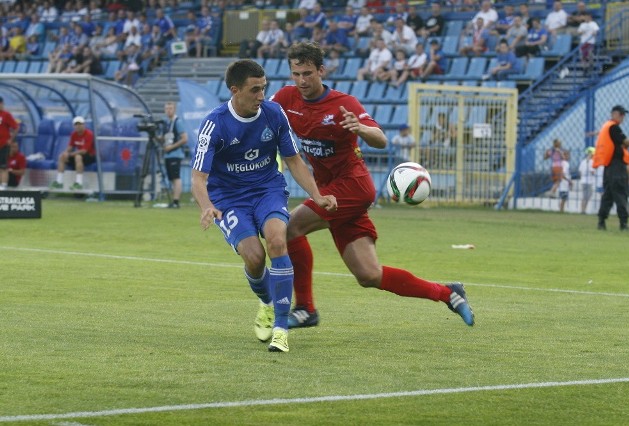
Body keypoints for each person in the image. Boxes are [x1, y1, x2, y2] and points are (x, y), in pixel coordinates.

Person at [271, 42, 475, 330]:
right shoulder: (286, 98)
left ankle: (305, 308)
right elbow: (262, 116)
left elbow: (380, 138)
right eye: (296, 74)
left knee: (289, 227)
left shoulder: (344, 104)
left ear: (321, 70)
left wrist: (361, 129)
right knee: (369, 275)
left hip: (352, 187)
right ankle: (448, 292)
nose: (302, 81)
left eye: (308, 73)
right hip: (332, 191)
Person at [190, 59, 337, 353]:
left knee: (277, 241)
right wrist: (206, 205)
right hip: (229, 199)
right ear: (235, 90)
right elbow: (198, 176)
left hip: (267, 190)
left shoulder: (273, 113)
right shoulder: (215, 123)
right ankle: (267, 302)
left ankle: (281, 328)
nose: (261, 96)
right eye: (255, 90)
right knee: (255, 258)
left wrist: (317, 195)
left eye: (264, 88)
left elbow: (294, 160)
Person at [593, 105, 629, 231]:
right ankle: (623, 223)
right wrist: (624, 144)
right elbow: (628, 142)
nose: (623, 117)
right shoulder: (614, 128)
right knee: (621, 193)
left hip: (608, 166)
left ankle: (601, 222)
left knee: (608, 195)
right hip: (617, 166)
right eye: (621, 114)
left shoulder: (606, 127)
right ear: (615, 114)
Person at [50, 116, 96, 190]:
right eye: (76, 124)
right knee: (61, 156)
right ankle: (59, 182)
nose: (78, 126)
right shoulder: (74, 134)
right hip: (77, 155)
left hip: (90, 156)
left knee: (78, 157)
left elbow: (84, 151)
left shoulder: (89, 134)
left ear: (84, 125)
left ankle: (79, 183)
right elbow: (70, 146)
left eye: (80, 124)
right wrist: (65, 152)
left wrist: (70, 154)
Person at [162, 101, 187, 209]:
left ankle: (176, 201)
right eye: (167, 108)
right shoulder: (166, 123)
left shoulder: (177, 122)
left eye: (170, 108)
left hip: (175, 154)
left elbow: (184, 138)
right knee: (172, 178)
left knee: (176, 177)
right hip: (168, 154)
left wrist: (171, 148)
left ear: (174, 109)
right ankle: (174, 200)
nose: (168, 110)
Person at [0, 96, 20, 190]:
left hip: (3, 144)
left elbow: (16, 127)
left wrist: (11, 139)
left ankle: (3, 186)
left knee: (3, 166)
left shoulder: (6, 115)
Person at [578, 147, 596, 214]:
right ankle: (583, 210)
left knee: (585, 196)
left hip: (583, 181)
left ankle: (583, 209)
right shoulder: (592, 162)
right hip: (589, 181)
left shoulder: (583, 161)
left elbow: (580, 171)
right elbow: (592, 172)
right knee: (587, 196)